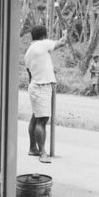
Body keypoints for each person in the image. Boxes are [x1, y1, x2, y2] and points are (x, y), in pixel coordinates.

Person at [25, 25, 67, 163]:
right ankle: (42, 152)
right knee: (42, 120)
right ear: (43, 36)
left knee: (35, 118)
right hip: (41, 86)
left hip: (34, 85)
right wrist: (65, 33)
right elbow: (61, 42)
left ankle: (32, 148)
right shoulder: (42, 44)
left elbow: (29, 74)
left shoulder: (29, 52)